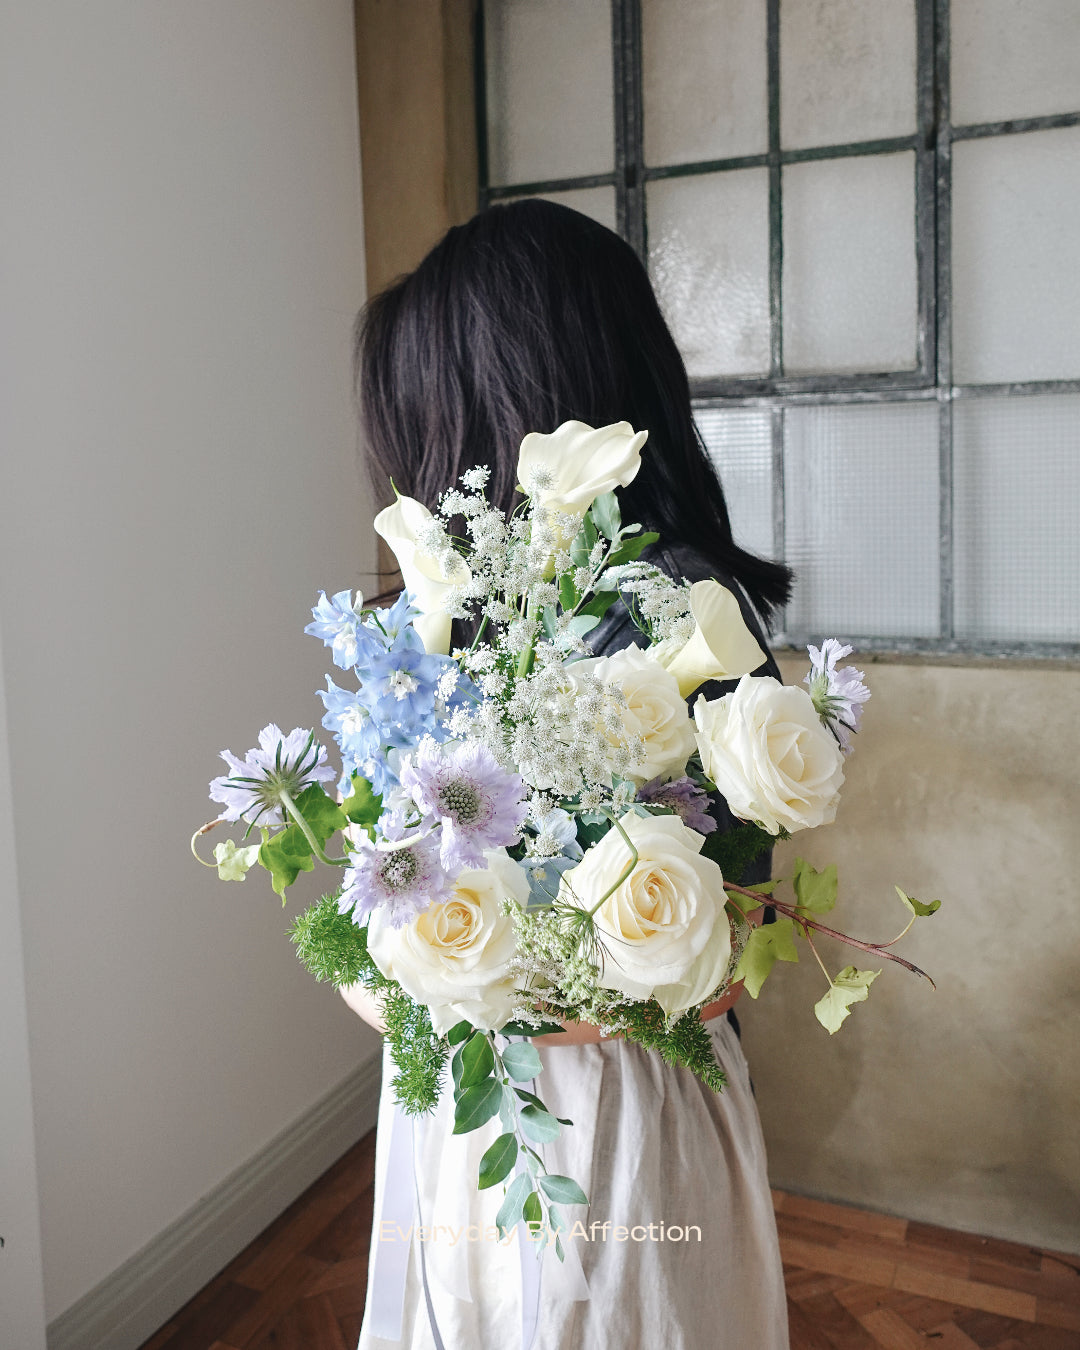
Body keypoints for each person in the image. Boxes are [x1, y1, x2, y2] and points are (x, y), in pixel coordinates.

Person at [344, 199, 792, 1350]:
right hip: (476, 1107)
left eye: (421, 414)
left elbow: (737, 930)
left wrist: (491, 981)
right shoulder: (440, 619)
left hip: (617, 1117)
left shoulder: (674, 602)